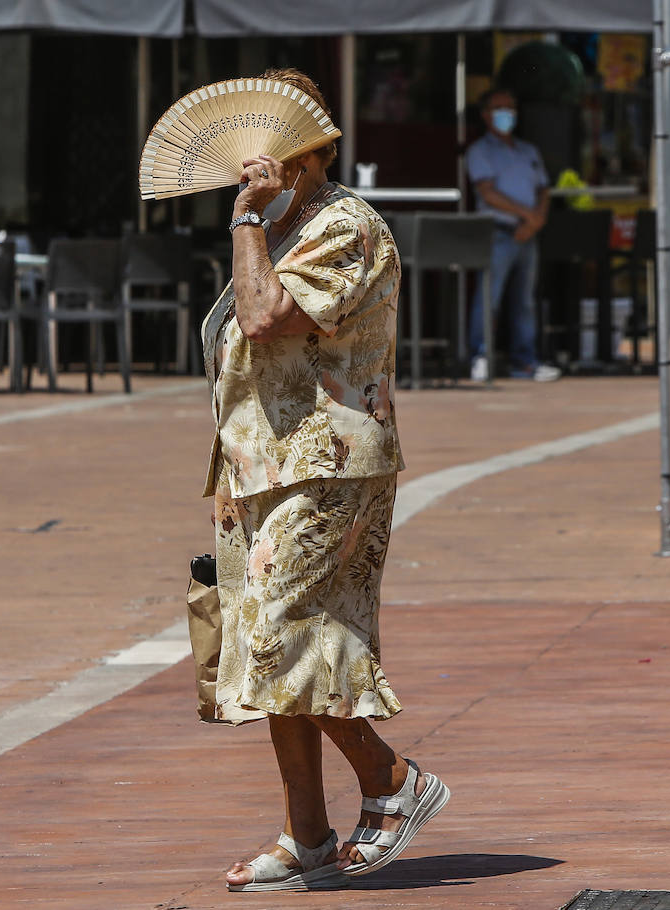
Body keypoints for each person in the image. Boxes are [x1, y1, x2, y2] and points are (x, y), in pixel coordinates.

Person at [201, 67, 449, 892]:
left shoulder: (344, 226)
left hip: (329, 461)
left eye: (267, 161)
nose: (252, 175)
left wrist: (243, 221)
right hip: (262, 464)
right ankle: (307, 836)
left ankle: (391, 780)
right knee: (268, 642)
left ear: (312, 153)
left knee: (283, 628)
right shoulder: (284, 227)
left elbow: (267, 317)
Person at [466, 88, 561, 382]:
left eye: (512, 108)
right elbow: (488, 193)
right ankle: (480, 356)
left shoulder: (528, 151)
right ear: (486, 115)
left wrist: (536, 219)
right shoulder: (480, 151)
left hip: (528, 234)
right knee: (489, 298)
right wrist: (527, 215)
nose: (508, 114)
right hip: (498, 232)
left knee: (525, 302)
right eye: (500, 108)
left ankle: (526, 362)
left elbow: (544, 189)